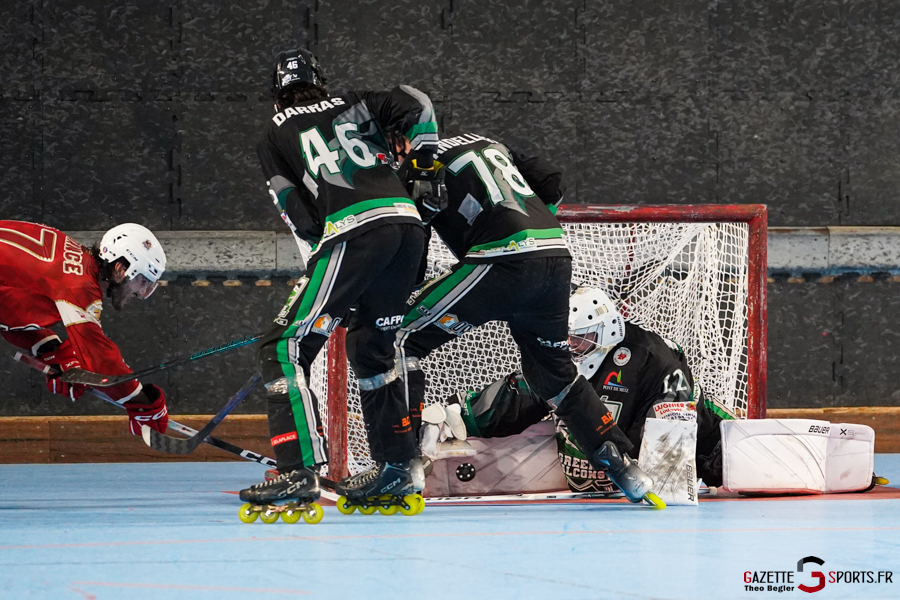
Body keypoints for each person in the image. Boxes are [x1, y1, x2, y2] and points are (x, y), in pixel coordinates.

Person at [392, 133, 660, 505]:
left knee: (396, 338)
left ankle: (399, 465)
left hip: (500, 259)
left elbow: (412, 256)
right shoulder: (484, 142)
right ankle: (623, 467)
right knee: (554, 374)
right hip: (554, 256)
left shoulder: (415, 166)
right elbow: (551, 181)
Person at [239, 48, 439, 512]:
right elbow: (416, 101)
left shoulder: (273, 131)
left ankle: (296, 470)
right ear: (321, 84)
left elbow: (300, 215)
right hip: (408, 232)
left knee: (282, 345)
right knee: (371, 349)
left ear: (276, 96)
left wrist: (330, 275)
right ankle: (396, 469)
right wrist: (425, 170)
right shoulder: (355, 101)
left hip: (353, 234)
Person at [440, 286, 728, 491]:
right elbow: (518, 396)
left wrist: (647, 473)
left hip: (707, 452)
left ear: (607, 330)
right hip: (602, 483)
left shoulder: (652, 356)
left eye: (578, 339)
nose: (570, 348)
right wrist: (454, 416)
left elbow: (674, 431)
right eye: (565, 339)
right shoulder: (564, 356)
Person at [0, 220, 170, 435]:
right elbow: (99, 358)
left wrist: (51, 351)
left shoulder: (73, 264)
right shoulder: (79, 286)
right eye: (143, 281)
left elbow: (10, 310)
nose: (142, 293)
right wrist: (142, 402)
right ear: (119, 269)